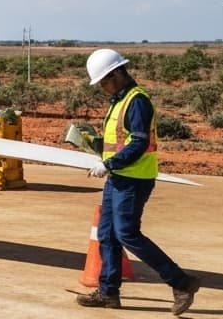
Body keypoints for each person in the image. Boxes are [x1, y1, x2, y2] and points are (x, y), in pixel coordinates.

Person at [76, 48, 200, 315]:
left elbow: (139, 143)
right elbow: (119, 140)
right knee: (107, 235)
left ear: (118, 73)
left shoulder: (137, 101)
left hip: (134, 179)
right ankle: (108, 292)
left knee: (127, 234)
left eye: (104, 82)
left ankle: (181, 283)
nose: (102, 88)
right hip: (118, 177)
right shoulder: (119, 100)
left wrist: (108, 164)